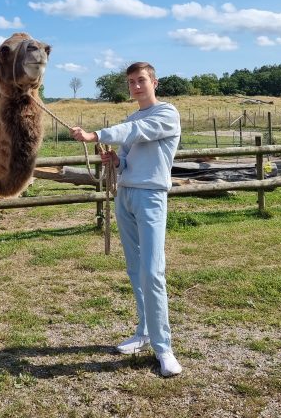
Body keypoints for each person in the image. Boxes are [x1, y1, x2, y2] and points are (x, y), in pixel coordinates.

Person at [71, 62, 182, 377]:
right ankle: (144, 332)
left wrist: (96, 134)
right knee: (135, 269)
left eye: (141, 80)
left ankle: (164, 349)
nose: (136, 86)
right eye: (131, 82)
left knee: (152, 271)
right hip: (126, 195)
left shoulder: (166, 114)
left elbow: (136, 132)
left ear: (154, 82)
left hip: (150, 198)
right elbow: (131, 158)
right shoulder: (133, 117)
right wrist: (117, 161)